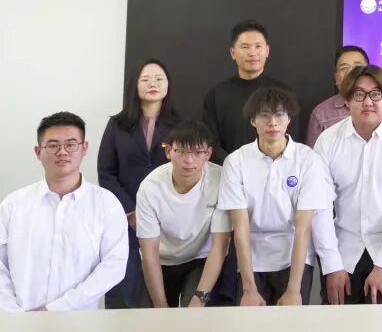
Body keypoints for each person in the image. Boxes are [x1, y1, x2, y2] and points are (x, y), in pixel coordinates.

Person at [315, 65, 382, 305]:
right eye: (358, 94)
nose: (367, 102)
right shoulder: (328, 140)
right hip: (344, 245)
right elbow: (320, 207)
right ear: (347, 101)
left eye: (376, 94)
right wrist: (332, 265)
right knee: (336, 317)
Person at [218, 87, 337, 306]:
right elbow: (240, 227)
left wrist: (294, 289)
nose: (273, 122)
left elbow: (303, 227)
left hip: (294, 255)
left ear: (289, 119)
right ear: (253, 120)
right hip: (251, 258)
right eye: (264, 115)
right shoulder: (235, 162)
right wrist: (249, 288)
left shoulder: (308, 160)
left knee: (291, 321)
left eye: (279, 115)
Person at [0, 112, 127, 312]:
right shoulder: (13, 204)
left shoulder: (106, 203)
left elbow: (114, 266)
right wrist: (14, 312)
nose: (62, 152)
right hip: (18, 319)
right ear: (38, 152)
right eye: (52, 145)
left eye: (71, 144)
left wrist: (57, 308)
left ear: (84, 148)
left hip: (79, 320)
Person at [97, 58, 181, 308]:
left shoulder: (180, 126)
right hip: (126, 220)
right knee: (125, 289)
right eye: (145, 80)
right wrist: (131, 212)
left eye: (159, 79)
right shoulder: (117, 125)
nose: (152, 84)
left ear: (168, 85)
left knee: (161, 293)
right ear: (135, 85)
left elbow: (188, 170)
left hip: (168, 218)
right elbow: (106, 172)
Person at [136, 120, 232, 308]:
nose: (189, 160)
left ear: (208, 154)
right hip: (161, 261)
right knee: (155, 317)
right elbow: (149, 251)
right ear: (168, 151)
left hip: (201, 259)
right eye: (181, 151)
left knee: (196, 315)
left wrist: (200, 298)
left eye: (197, 152)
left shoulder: (220, 180)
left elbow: (220, 245)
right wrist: (161, 306)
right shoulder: (150, 187)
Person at [203, 20, 293, 160]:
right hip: (229, 169)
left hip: (276, 167)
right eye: (245, 47)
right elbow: (211, 142)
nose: (252, 53)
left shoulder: (284, 93)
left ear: (267, 51)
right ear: (233, 53)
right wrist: (234, 166)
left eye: (258, 46)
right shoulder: (217, 94)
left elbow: (292, 139)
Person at [306, 46, 382, 145]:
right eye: (344, 68)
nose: (351, 72)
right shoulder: (321, 113)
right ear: (336, 77)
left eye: (357, 67)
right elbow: (314, 153)